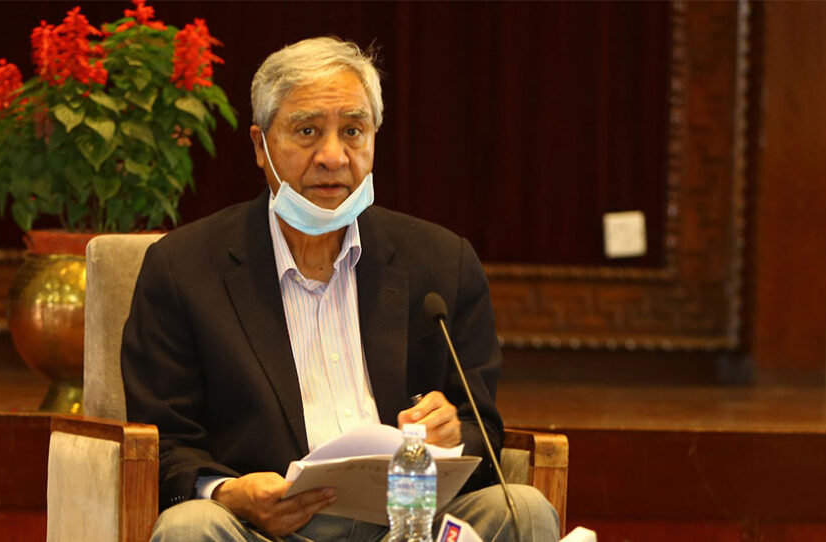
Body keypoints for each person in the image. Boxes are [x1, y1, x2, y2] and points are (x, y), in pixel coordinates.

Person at [121, 36, 560, 542]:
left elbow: (482, 425)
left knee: (524, 512)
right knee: (191, 528)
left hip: (410, 526)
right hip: (265, 530)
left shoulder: (442, 262)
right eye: (307, 131)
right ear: (260, 147)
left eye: (353, 131)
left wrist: (453, 432)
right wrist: (230, 493)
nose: (333, 156)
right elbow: (165, 443)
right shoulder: (183, 268)